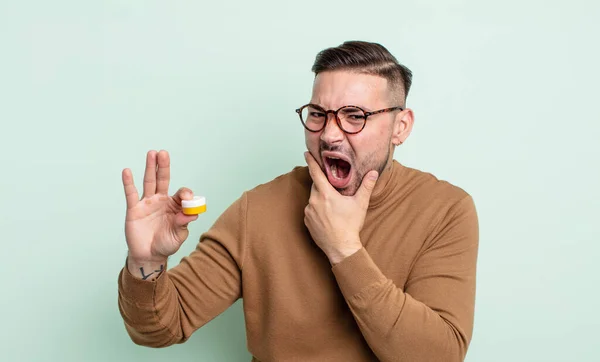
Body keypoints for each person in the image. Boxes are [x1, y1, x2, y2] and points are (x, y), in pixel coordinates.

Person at [117, 40, 479, 362]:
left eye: (355, 116)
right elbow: (161, 328)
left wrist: (344, 250)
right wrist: (146, 263)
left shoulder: (445, 210)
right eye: (318, 115)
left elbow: (440, 355)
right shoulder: (258, 209)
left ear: (401, 126)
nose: (330, 134)